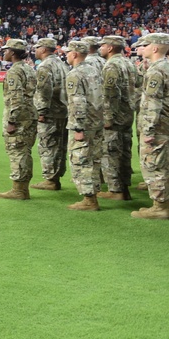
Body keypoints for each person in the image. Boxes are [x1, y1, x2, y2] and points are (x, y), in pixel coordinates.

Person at [64, 39, 104, 211]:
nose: (66, 55)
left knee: (80, 160)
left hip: (84, 123)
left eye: (68, 52)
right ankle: (93, 194)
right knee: (94, 159)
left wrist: (78, 127)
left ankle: (89, 199)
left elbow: (77, 102)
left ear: (74, 54)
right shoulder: (94, 70)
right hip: (97, 121)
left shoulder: (75, 74)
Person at [133, 33, 169, 219]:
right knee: (164, 164)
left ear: (154, 48)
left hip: (159, 126)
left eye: (146, 45)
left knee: (155, 165)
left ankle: (160, 206)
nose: (143, 48)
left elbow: (153, 103)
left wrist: (148, 130)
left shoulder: (156, 70)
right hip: (166, 125)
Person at [96, 35, 136, 201]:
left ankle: (115, 190)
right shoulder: (128, 62)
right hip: (127, 114)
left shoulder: (111, 65)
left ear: (110, 48)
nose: (100, 48)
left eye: (103, 45)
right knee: (124, 152)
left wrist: (107, 117)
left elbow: (110, 93)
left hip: (115, 116)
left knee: (111, 152)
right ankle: (124, 188)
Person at [0, 39, 37, 200]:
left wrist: (12, 121)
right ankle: (23, 188)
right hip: (30, 114)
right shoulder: (29, 68)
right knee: (25, 151)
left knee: (17, 151)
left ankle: (19, 189)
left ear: (13, 52)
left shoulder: (14, 71)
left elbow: (16, 97)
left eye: (6, 50)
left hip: (19, 117)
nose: (4, 53)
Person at [30, 38, 68, 191]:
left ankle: (50, 180)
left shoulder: (45, 66)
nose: (35, 51)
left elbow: (44, 90)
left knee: (47, 145)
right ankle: (56, 177)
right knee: (60, 146)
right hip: (63, 110)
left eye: (37, 48)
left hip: (51, 111)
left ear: (44, 49)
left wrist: (41, 111)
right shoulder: (62, 64)